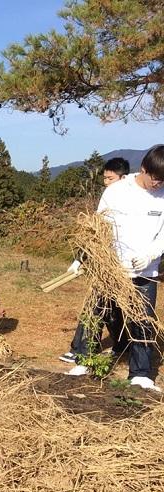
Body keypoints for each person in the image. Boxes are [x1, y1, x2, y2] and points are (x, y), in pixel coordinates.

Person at [65, 146, 164, 390]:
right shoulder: (117, 191)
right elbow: (97, 228)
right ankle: (85, 360)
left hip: (144, 271)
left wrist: (151, 254)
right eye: (156, 178)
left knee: (142, 320)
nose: (158, 184)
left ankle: (141, 374)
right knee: (95, 314)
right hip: (110, 268)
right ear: (143, 169)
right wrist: (83, 258)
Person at [59, 157, 131, 363]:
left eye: (110, 178)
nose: (106, 183)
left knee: (98, 306)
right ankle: (121, 344)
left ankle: (81, 350)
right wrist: (80, 259)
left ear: (124, 178)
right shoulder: (108, 199)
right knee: (108, 306)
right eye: (105, 179)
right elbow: (95, 233)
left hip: (124, 266)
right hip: (105, 264)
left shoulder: (136, 203)